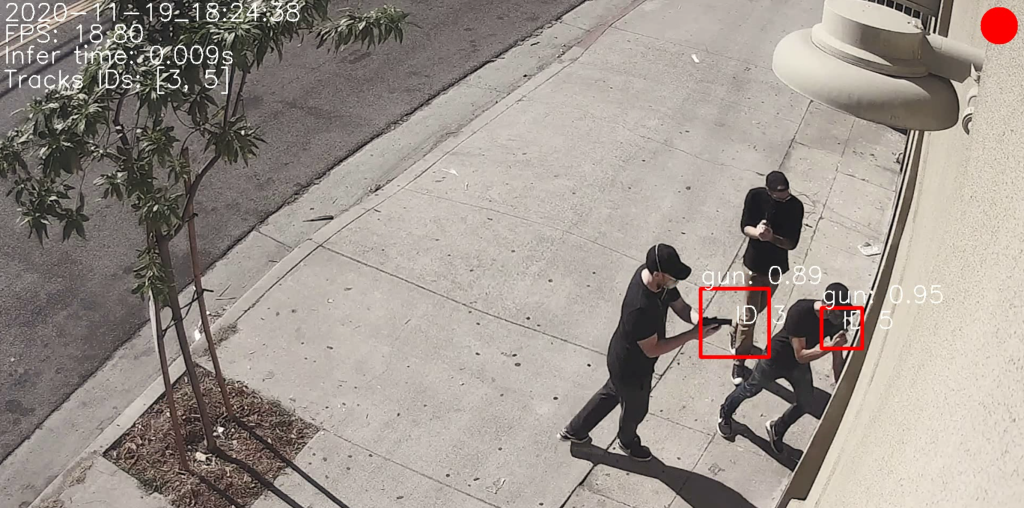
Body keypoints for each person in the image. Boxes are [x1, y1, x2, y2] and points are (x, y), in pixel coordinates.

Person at [558, 244, 723, 461]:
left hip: (622, 358)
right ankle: (627, 442)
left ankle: (575, 430)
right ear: (658, 274)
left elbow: (681, 306)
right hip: (631, 367)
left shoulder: (655, 279)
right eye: (673, 277)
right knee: (637, 409)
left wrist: (699, 321)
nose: (676, 282)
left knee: (612, 391)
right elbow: (653, 348)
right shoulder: (640, 308)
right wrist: (692, 335)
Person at [717, 283, 853, 454]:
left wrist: (842, 388)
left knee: (806, 402)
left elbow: (837, 357)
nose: (841, 317)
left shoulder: (839, 320)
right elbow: (801, 354)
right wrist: (830, 347)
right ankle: (725, 413)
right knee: (750, 389)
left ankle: (777, 429)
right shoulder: (800, 312)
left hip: (798, 366)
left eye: (844, 311)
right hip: (775, 358)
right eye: (838, 311)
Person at [730, 171, 805, 385]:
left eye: (786, 194)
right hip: (754, 265)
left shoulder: (795, 207)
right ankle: (739, 360)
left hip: (775, 268)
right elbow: (745, 226)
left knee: (755, 309)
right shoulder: (755, 196)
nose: (783, 198)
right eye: (779, 195)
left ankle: (735, 326)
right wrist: (758, 233)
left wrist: (772, 238)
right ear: (769, 191)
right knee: (751, 315)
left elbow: (792, 243)